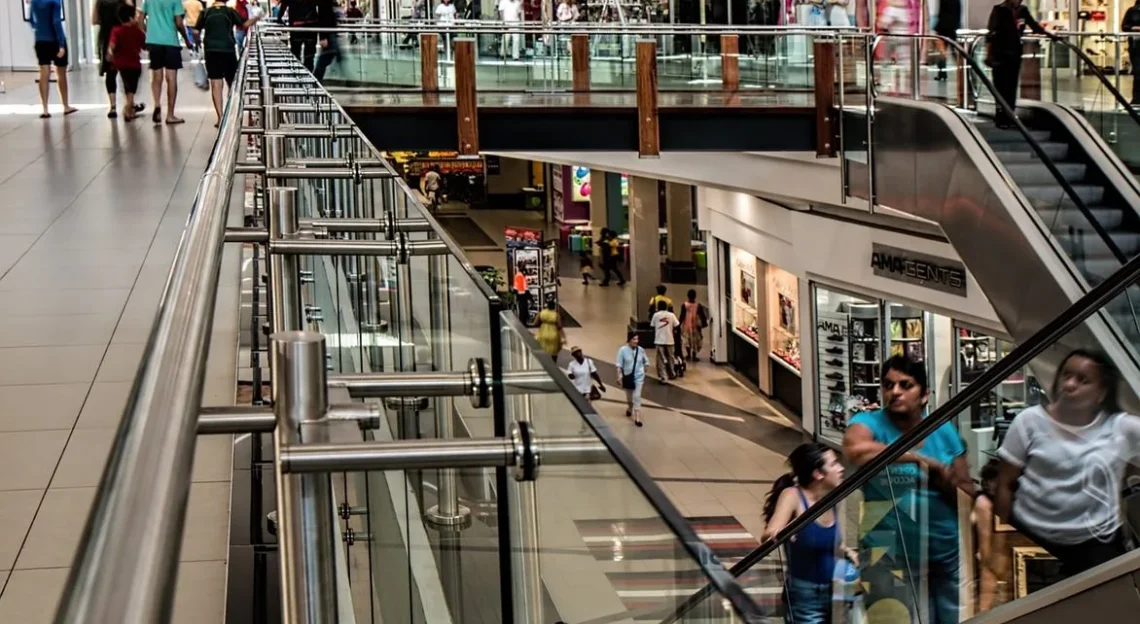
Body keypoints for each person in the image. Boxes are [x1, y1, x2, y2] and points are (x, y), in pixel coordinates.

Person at [842, 355, 974, 624]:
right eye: (888, 385)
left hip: (942, 549)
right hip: (886, 551)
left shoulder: (943, 430)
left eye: (905, 385)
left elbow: (966, 490)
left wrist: (943, 479)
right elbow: (856, 450)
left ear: (925, 395)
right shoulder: (868, 423)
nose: (895, 392)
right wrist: (917, 458)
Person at [994, 349, 1140, 579]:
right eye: (1066, 375)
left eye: (1083, 380)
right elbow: (1004, 484)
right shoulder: (1029, 421)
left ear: (1101, 392)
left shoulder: (1121, 428)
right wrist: (1000, 544)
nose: (1070, 385)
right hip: (1032, 537)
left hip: (1096, 545)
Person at [762, 443, 857, 624]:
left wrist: (848, 552)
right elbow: (768, 535)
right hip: (806, 596)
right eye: (834, 464)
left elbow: (828, 542)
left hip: (836, 590)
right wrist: (782, 533)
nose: (841, 468)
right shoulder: (793, 496)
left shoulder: (832, 498)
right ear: (818, 473)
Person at [985, 0, 1048, 128]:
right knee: (1001, 86)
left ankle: (1010, 116)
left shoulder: (1023, 11)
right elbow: (991, 33)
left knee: (1011, 86)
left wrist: (1049, 35)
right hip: (1000, 53)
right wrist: (989, 54)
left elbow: (1034, 26)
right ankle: (1001, 117)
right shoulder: (999, 10)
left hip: (1015, 53)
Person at [196, 0, 259, 126]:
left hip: (211, 50)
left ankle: (220, 117)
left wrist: (198, 43)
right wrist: (257, 18)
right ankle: (231, 114)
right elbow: (244, 24)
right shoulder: (230, 12)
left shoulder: (206, 12)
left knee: (216, 83)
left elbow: (196, 31)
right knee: (232, 82)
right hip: (227, 49)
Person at [144, 0, 193, 124]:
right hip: (171, 41)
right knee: (171, 78)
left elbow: (140, 18)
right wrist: (186, 39)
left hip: (154, 41)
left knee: (156, 76)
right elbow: (179, 22)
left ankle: (157, 104)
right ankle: (170, 115)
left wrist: (148, 34)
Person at [93, 0, 144, 119]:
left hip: (107, 36)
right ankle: (129, 105)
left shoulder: (100, 2)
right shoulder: (124, 2)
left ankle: (113, 106)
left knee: (110, 74)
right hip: (124, 35)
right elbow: (132, 14)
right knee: (128, 73)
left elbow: (94, 20)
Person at [29, 0, 77, 119]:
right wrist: (61, 44)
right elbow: (56, 21)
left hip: (40, 40)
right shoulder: (55, 1)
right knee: (61, 74)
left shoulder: (34, 1)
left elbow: (31, 19)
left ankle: (45, 109)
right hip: (55, 40)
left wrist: (39, 29)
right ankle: (65, 106)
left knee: (44, 73)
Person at [108, 4, 147, 121]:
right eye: (135, 16)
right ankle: (128, 110)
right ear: (130, 18)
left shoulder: (116, 30)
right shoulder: (138, 32)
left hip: (121, 64)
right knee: (131, 89)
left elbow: (112, 45)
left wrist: (110, 53)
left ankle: (130, 108)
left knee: (127, 87)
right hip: (134, 65)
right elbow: (145, 46)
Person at [616, 331, 649, 427]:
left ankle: (637, 417)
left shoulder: (641, 350)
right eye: (634, 339)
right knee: (629, 397)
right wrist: (619, 376)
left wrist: (644, 369)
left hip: (639, 377)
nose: (636, 341)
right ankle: (630, 407)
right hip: (627, 377)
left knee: (637, 396)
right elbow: (619, 365)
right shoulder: (622, 350)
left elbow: (646, 361)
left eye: (637, 339)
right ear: (629, 340)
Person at [278, 0, 320, 71]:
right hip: (311, 25)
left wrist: (279, 18)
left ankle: (297, 73)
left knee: (296, 54)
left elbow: (284, 4)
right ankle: (308, 73)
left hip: (296, 25)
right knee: (309, 56)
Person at [650, 300, 678, 381]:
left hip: (659, 340)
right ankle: (672, 373)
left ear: (658, 307)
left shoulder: (655, 315)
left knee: (660, 359)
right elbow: (677, 325)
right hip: (670, 339)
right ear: (666, 307)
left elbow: (652, 326)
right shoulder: (671, 315)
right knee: (671, 357)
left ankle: (663, 376)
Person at [933, 0, 961, 81]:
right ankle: (963, 71)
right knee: (956, 52)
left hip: (943, 27)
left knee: (941, 51)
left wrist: (937, 27)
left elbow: (941, 13)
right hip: (953, 28)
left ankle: (942, 74)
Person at [313, 0, 341, 81]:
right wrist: (323, 36)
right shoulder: (324, 3)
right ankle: (316, 80)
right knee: (326, 57)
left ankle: (316, 80)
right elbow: (322, 17)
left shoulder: (328, 3)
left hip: (330, 32)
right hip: (328, 33)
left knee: (328, 56)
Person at [677, 289, 708, 362]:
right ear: (695, 296)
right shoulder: (698, 306)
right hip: (696, 327)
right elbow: (702, 316)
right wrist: (704, 324)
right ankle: (694, 356)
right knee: (695, 341)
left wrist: (678, 325)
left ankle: (688, 355)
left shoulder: (684, 305)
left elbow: (682, 316)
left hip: (686, 326)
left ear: (688, 296)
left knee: (687, 340)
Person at [1123, 0, 1140, 105]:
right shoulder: (1132, 11)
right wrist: (1133, 28)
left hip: (1135, 46)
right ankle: (1137, 99)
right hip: (1136, 46)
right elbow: (1124, 26)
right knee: (1138, 73)